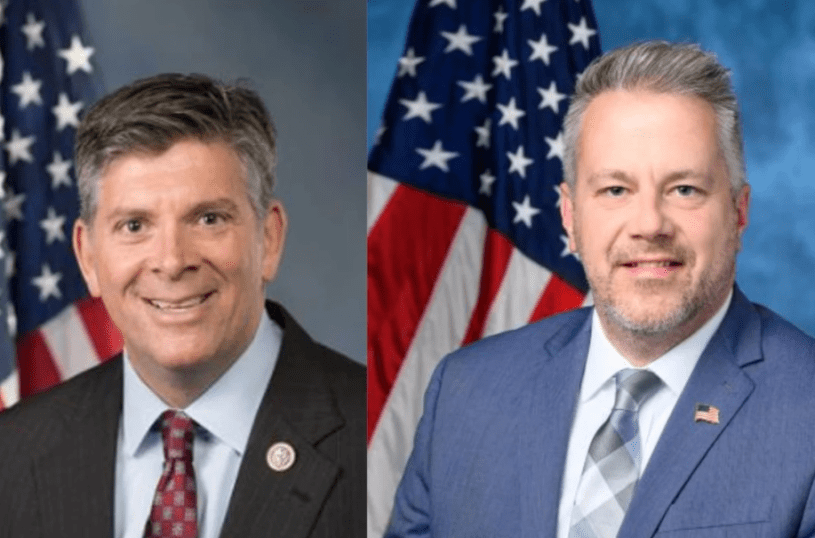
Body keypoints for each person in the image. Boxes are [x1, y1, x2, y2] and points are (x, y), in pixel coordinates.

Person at [387, 41, 815, 538]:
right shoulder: (465, 392)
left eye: (684, 189)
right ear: (570, 217)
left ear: (739, 213)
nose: (649, 224)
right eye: (615, 189)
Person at [0, 74, 365, 538]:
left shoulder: (370, 432)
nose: (172, 262)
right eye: (134, 225)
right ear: (87, 257)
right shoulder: (12, 454)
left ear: (268, 240)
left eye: (209, 218)